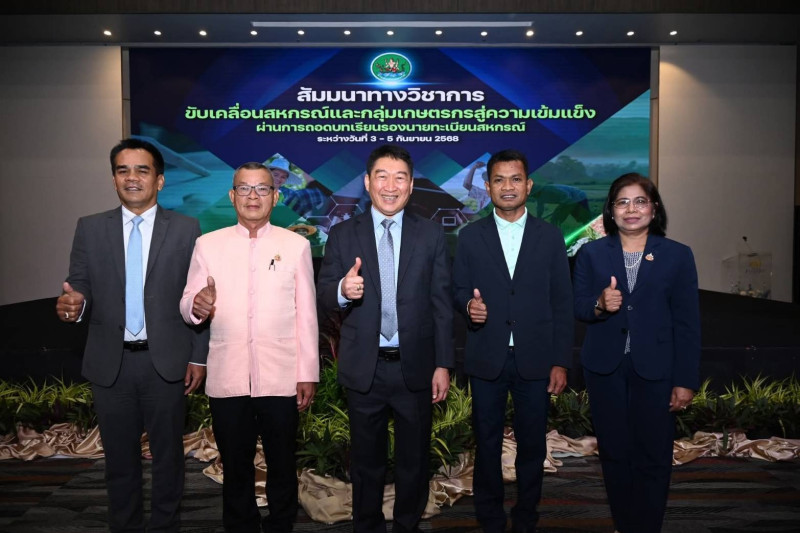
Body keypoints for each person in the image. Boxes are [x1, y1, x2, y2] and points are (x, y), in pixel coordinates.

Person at [55, 138, 208, 533]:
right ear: (114, 179)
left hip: (166, 363)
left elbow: (197, 295)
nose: (132, 178)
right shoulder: (90, 228)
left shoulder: (187, 228)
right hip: (111, 363)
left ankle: (165, 527)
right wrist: (74, 306)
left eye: (142, 170)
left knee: (168, 459)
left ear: (159, 180)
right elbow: (79, 285)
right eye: (123, 170)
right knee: (119, 462)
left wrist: (198, 355)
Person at [317, 145, 454, 533]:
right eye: (382, 176)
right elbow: (323, 293)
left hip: (416, 368)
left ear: (410, 186)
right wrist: (343, 290)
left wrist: (443, 363)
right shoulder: (342, 234)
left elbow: (442, 303)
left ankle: (407, 526)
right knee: (366, 464)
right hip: (365, 368)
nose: (390, 186)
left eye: (400, 178)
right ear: (367, 182)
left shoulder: (431, 234)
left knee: (414, 462)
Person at [180, 162, 319, 533]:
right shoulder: (208, 245)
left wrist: (307, 372)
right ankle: (240, 525)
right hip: (228, 375)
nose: (253, 196)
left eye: (262, 189)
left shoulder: (296, 245)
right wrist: (197, 305)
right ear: (232, 196)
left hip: (281, 375)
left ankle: (281, 525)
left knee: (282, 461)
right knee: (235, 463)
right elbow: (188, 300)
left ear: (275, 196)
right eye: (244, 188)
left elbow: (306, 315)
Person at [452, 149, 573, 533]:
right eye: (499, 180)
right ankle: (489, 518)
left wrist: (560, 360)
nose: (508, 186)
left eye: (515, 179)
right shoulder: (470, 236)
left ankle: (526, 518)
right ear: (488, 187)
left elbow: (562, 302)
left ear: (529, 185)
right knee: (486, 443)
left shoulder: (550, 236)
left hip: (535, 358)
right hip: (486, 356)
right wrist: (469, 306)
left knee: (533, 445)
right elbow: (457, 289)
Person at [572, 173, 700, 533]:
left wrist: (685, 380)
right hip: (605, 368)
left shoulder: (677, 255)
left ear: (653, 208)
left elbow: (688, 323)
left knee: (654, 455)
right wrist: (599, 304)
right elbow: (578, 306)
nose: (631, 209)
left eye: (640, 201)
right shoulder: (591, 253)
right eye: (622, 202)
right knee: (614, 453)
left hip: (656, 369)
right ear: (611, 211)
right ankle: (624, 524)